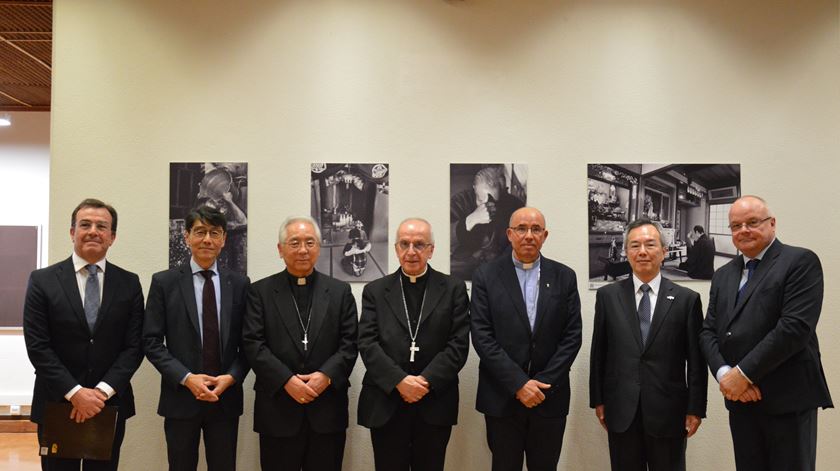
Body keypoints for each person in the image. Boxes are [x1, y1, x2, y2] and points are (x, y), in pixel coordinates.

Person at [699, 195, 832, 471]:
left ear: (772, 224)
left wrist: (743, 374)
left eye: (752, 222)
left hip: (787, 399)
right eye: (736, 225)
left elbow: (794, 329)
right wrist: (726, 375)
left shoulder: (800, 262)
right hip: (741, 402)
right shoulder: (723, 274)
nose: (743, 230)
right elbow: (708, 331)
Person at [23, 198, 144, 471]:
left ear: (112, 237)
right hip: (57, 400)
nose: (93, 231)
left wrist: (99, 393)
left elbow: (133, 347)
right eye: (85, 224)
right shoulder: (42, 281)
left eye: (102, 226)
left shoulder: (129, 283)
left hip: (108, 404)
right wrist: (75, 393)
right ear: (72, 232)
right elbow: (38, 346)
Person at [589, 218, 707, 471]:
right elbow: (599, 353)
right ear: (626, 252)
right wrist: (598, 400)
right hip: (621, 410)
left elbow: (696, 362)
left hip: (669, 412)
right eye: (634, 245)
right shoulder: (607, 297)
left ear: (664, 252)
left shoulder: (687, 300)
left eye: (650, 244)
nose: (642, 251)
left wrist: (696, 408)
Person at [242, 216, 358, 471]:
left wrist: (325, 376)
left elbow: (349, 343)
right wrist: (286, 380)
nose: (303, 249)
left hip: (327, 409)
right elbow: (253, 343)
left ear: (319, 246)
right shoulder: (260, 292)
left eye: (310, 242)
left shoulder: (340, 292)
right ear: (280, 249)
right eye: (294, 243)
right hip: (278, 410)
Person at [470, 207, 582, 471]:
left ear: (545, 235)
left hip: (549, 397)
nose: (528, 235)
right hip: (502, 397)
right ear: (509, 234)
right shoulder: (485, 275)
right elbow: (482, 336)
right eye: (521, 228)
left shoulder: (564, 276)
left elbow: (572, 336)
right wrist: (519, 384)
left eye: (535, 229)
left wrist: (542, 383)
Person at [357, 218, 470, 471]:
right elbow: (367, 342)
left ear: (431, 249)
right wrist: (399, 381)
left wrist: (425, 381)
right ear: (396, 248)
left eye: (419, 245)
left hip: (434, 401)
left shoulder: (453, 289)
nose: (411, 252)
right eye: (405, 244)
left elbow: (458, 344)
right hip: (386, 401)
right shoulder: (375, 290)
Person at [143, 206, 251, 470]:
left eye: (214, 233)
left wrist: (232, 377)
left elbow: (249, 342)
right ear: (186, 236)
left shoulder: (239, 284)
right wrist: (187, 378)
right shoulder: (164, 283)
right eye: (200, 232)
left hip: (224, 397)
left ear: (224, 239)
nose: (207, 239)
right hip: (180, 397)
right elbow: (151, 341)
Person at [450, 166, 525, 280]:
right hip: (466, 264)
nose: (486, 206)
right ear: (474, 188)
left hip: (499, 267)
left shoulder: (515, 205)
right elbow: (444, 239)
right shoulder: (459, 201)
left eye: (493, 200)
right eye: (480, 200)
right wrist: (471, 219)